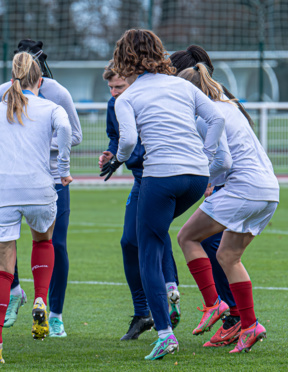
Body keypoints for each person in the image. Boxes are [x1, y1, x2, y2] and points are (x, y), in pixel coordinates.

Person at [103, 29, 225, 360]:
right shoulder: (183, 85)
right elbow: (216, 119)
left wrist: (118, 158)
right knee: (155, 236)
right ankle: (173, 288)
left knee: (147, 249)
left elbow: (127, 142)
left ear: (124, 58)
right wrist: (208, 156)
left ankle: (164, 333)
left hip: (161, 177)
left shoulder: (126, 97)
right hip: (197, 178)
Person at [0, 51, 73, 363]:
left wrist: (5, 159)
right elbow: (67, 130)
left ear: (12, 79)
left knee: (3, 270)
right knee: (43, 241)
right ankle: (41, 300)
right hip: (40, 188)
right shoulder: (50, 107)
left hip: (3, 192)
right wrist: (64, 169)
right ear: (39, 81)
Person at [176, 63, 278, 354]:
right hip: (268, 190)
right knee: (228, 256)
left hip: (243, 188)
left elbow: (224, 162)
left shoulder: (206, 115)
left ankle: (213, 304)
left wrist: (206, 180)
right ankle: (249, 325)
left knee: (187, 237)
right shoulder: (229, 106)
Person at [0, 39, 83, 338]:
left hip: (51, 178)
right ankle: (16, 291)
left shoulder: (58, 93)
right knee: (7, 241)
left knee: (55, 244)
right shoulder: (2, 94)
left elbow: (76, 135)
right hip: (15, 178)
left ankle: (54, 314)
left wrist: (41, 145)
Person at [170, 45, 247, 348]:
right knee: (218, 247)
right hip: (236, 184)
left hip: (234, 185)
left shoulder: (208, 106)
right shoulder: (219, 97)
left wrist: (206, 179)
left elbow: (224, 155)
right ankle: (237, 315)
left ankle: (231, 312)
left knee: (206, 242)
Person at [99, 61, 181, 340]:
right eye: (110, 87)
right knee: (128, 241)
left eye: (119, 86)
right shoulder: (115, 105)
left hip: (160, 176)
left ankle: (171, 292)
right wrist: (111, 154)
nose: (114, 93)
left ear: (133, 82)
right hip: (140, 179)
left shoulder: (146, 99)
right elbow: (116, 138)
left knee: (154, 232)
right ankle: (143, 312)